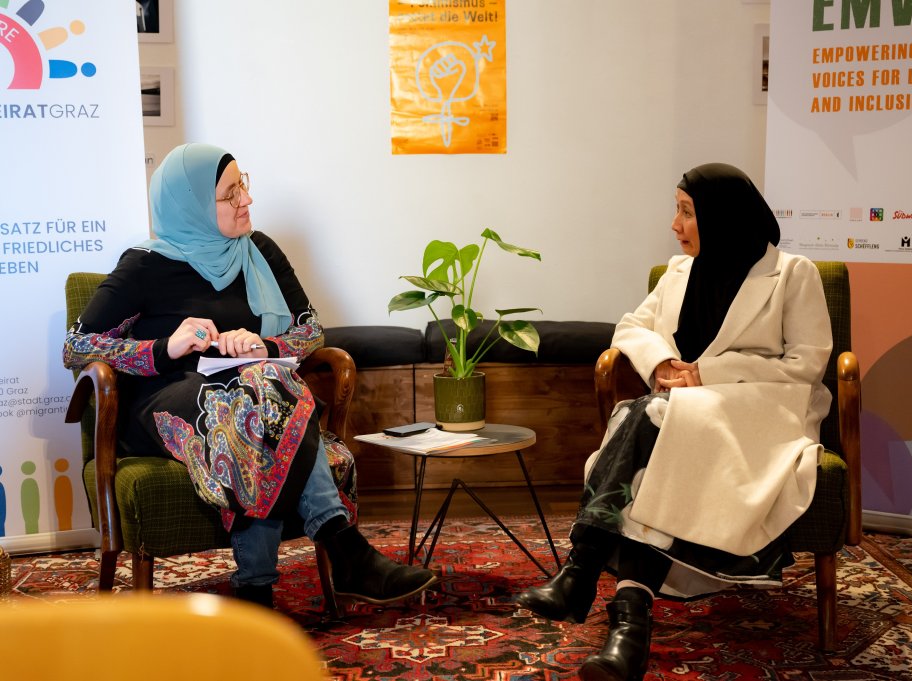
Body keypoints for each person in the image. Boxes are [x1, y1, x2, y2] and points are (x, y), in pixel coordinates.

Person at [63, 143, 436, 608]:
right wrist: (166, 347)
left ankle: (261, 586)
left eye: (244, 185)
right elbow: (78, 346)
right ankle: (340, 555)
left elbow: (310, 328)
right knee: (251, 402)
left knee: (263, 388)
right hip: (166, 399)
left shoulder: (258, 251)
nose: (247, 200)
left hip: (256, 393)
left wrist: (267, 346)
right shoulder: (144, 265)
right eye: (230, 193)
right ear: (192, 203)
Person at [515, 163, 833, 681]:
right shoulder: (679, 272)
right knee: (655, 435)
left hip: (759, 413)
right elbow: (632, 326)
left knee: (646, 416)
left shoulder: (794, 274)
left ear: (721, 217)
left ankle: (581, 568)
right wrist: (662, 364)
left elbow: (806, 364)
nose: (674, 224)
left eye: (686, 212)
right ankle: (629, 626)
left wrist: (708, 374)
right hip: (680, 413)